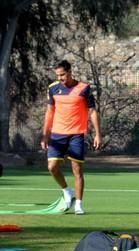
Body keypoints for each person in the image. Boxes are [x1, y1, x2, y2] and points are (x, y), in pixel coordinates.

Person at [40, 60, 102, 214]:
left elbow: (93, 112)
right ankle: (67, 191)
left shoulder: (84, 88)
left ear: (70, 72)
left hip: (76, 134)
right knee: (52, 167)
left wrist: (98, 134)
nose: (60, 78)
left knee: (77, 169)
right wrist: (45, 135)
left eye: (63, 74)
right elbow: (49, 112)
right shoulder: (53, 89)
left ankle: (79, 204)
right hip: (57, 134)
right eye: (58, 75)